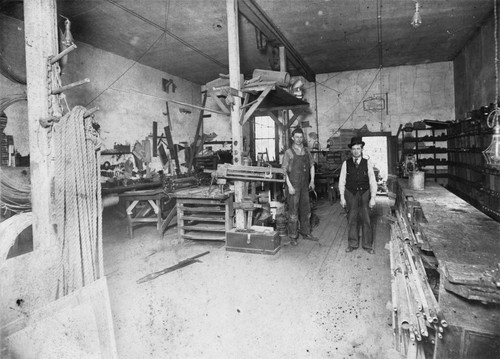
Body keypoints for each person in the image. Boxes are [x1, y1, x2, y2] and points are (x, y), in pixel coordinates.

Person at [339, 136, 377, 254]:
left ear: (362, 149)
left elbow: (372, 180)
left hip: (365, 193)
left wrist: (373, 197)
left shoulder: (367, 163)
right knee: (352, 219)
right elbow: (342, 181)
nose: (356, 151)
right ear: (351, 150)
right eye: (354, 149)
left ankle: (368, 245)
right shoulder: (346, 163)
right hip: (351, 194)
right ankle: (352, 244)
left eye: (358, 148)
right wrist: (342, 196)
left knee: (366, 219)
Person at [282, 127, 319, 245]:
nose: (299, 139)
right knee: (293, 211)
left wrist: (312, 181)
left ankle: (306, 232)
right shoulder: (288, 152)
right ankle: (293, 236)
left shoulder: (307, 151)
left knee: (306, 209)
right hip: (294, 185)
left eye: (300, 137)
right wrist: (290, 186)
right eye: (296, 137)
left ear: (303, 138)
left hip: (305, 185)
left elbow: (312, 166)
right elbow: (284, 171)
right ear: (293, 138)